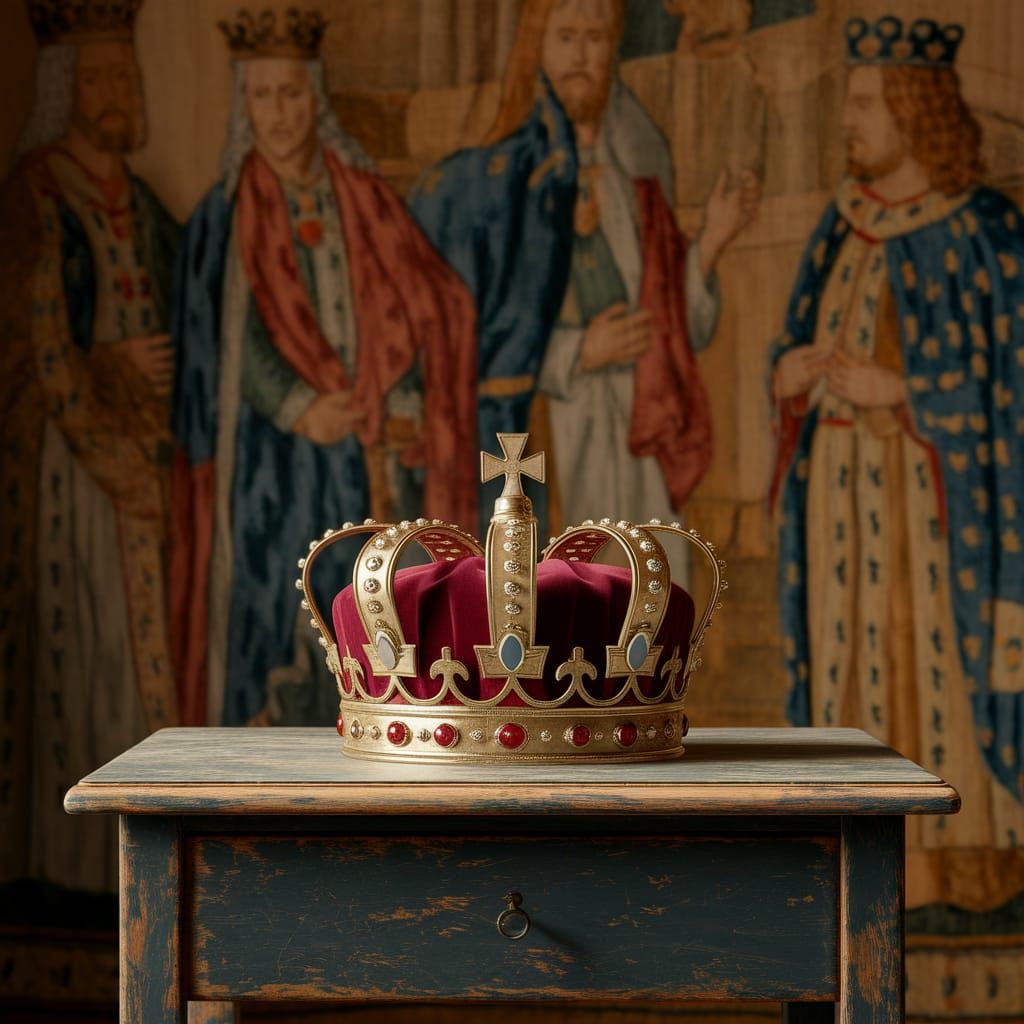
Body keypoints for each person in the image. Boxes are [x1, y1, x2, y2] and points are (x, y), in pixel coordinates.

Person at [771, 14, 1024, 942]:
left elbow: (1012, 386)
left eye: (868, 102)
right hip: (839, 493)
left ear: (917, 109)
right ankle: (858, 862)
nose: (851, 119)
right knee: (854, 675)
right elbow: (795, 339)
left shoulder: (985, 232)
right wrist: (787, 374)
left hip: (936, 505)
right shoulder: (846, 224)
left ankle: (966, 868)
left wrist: (905, 391)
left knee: (936, 678)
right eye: (849, 99)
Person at [170, 8, 476, 728]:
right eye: (263, 98)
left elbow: (427, 306)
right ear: (245, 107)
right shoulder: (226, 217)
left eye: (293, 95)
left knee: (377, 628)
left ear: (318, 98)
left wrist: (392, 397)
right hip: (270, 467)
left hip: (369, 458)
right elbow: (218, 345)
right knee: (286, 633)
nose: (279, 115)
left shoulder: (363, 199)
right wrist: (298, 405)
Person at [411, 0, 759, 534]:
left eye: (595, 38)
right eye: (566, 36)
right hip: (552, 424)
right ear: (539, 50)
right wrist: (576, 352)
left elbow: (679, 328)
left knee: (645, 591)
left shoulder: (635, 180)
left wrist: (711, 240)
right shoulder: (502, 189)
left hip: (638, 434)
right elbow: (466, 340)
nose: (580, 53)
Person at [0, 0, 179, 894]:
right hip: (71, 474)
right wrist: (108, 369)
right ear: (68, 85)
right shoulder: (37, 195)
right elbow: (37, 353)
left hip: (137, 469)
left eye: (129, 74)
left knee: (133, 659)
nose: (121, 93)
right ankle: (70, 869)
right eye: (102, 76)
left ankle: (130, 871)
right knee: (81, 651)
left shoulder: (141, 205)